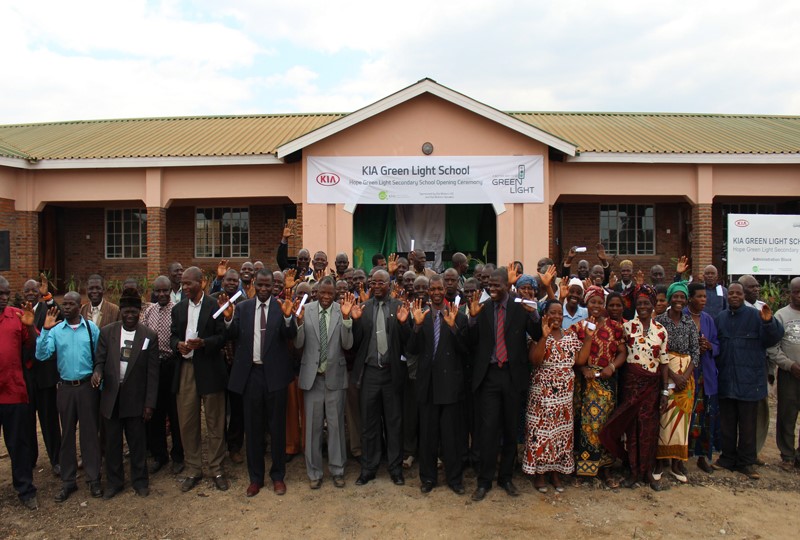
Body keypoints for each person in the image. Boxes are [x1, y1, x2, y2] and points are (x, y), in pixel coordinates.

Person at [468, 267, 542, 502]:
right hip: (489, 376)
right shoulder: (482, 308)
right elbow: (471, 343)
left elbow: (537, 334)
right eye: (490, 285)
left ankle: (506, 478)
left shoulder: (520, 307)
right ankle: (484, 480)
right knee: (488, 431)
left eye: (496, 285)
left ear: (507, 286)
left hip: (512, 376)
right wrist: (472, 319)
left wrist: (534, 314)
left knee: (510, 430)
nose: (492, 288)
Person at [225, 269, 298, 497]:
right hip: (252, 375)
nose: (264, 289)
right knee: (253, 428)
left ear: (274, 286)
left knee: (277, 428)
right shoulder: (243, 308)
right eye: (261, 285)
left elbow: (290, 335)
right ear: (254, 285)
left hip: (275, 375)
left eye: (268, 285)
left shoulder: (281, 306)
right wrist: (228, 319)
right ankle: (255, 478)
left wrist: (288, 318)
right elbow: (232, 334)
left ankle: (278, 476)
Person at [91, 289, 159, 499]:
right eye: (126, 311)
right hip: (112, 397)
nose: (130, 315)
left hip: (136, 399)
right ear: (120, 311)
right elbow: (100, 360)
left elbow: (153, 373)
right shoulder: (107, 332)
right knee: (112, 444)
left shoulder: (149, 336)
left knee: (137, 443)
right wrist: (97, 372)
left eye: (134, 311)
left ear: (140, 312)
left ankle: (140, 481)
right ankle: (115, 482)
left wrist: (149, 403)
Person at [600, 284, 669, 490]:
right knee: (631, 429)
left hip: (652, 386)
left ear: (653, 304)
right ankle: (633, 471)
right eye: (639, 303)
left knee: (648, 429)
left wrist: (665, 391)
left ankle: (647, 472)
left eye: (646, 303)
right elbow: (618, 352)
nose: (643, 307)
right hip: (631, 385)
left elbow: (664, 363)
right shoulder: (627, 327)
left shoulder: (661, 331)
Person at [36, 291, 103, 502]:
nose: (66, 307)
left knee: (89, 435)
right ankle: (68, 480)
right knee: (66, 435)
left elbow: (99, 357)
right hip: (65, 388)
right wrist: (45, 330)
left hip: (86, 388)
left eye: (70, 304)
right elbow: (41, 354)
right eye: (64, 304)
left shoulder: (91, 329)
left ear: (79, 306)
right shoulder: (56, 330)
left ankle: (93, 478)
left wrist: (98, 374)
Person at [407, 276, 469, 495]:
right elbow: (412, 350)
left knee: (451, 436)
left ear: (445, 290)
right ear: (428, 291)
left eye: (439, 288)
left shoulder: (458, 316)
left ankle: (454, 479)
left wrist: (453, 328)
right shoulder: (420, 315)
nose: (435, 292)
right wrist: (416, 327)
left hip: (450, 385)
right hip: (427, 386)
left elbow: (465, 350)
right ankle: (428, 478)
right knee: (428, 436)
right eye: (432, 289)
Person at [714, 282, 783, 479]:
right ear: (727, 296)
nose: (734, 296)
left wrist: (769, 323)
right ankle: (727, 458)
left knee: (748, 425)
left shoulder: (756, 316)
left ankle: (746, 462)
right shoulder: (721, 318)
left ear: (744, 296)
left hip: (750, 381)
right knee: (727, 423)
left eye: (738, 293)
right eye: (731, 293)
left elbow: (773, 338)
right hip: (727, 379)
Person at [170, 266, 229, 492]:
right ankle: (193, 468)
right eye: (182, 284)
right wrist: (178, 345)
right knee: (187, 422)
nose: (184, 287)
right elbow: (173, 335)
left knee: (215, 421)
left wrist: (204, 343)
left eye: (188, 283)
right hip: (186, 369)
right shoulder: (178, 309)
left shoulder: (214, 306)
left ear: (201, 282)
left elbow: (222, 337)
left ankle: (216, 468)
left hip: (210, 368)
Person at [351, 269, 411, 486]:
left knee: (394, 423)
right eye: (373, 282)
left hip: (392, 373)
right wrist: (354, 321)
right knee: (369, 423)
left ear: (389, 285)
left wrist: (404, 324)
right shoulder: (363, 308)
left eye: (381, 282)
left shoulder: (399, 307)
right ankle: (369, 468)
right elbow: (355, 343)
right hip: (370, 373)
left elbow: (408, 342)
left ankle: (395, 469)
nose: (376, 286)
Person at [295, 277, 355, 489]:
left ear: (335, 294)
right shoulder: (306, 310)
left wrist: (347, 319)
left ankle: (338, 470)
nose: (327, 297)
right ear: (317, 292)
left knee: (336, 426)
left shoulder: (342, 310)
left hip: (335, 378)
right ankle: (314, 473)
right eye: (323, 293)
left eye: (330, 293)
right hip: (313, 379)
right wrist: (298, 323)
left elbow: (347, 344)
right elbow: (298, 343)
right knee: (313, 428)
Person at [524, 299, 586, 492]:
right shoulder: (536, 335)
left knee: (560, 433)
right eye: (553, 312)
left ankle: (555, 473)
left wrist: (589, 339)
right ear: (545, 314)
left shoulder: (570, 335)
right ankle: (540, 474)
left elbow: (579, 361)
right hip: (542, 394)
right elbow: (535, 360)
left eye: (560, 313)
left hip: (564, 395)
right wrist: (544, 337)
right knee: (541, 433)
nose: (557, 316)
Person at [574, 286, 626, 486]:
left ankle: (605, 470)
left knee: (605, 425)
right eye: (592, 302)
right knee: (586, 426)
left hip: (606, 383)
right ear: (586, 303)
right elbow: (573, 355)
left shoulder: (615, 327)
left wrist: (612, 367)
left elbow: (622, 352)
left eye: (599, 302)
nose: (596, 305)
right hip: (586, 384)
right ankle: (585, 471)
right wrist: (583, 368)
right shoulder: (579, 327)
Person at [653, 282, 699, 484]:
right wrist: (673, 375)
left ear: (686, 300)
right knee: (663, 418)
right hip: (666, 374)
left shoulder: (689, 323)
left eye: (683, 297)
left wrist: (685, 376)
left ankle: (677, 463)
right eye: (676, 296)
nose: (679, 300)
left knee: (682, 422)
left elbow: (695, 352)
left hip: (685, 378)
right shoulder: (660, 321)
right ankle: (659, 462)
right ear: (670, 298)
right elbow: (657, 352)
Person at [0, 276, 39, 510]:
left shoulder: (17, 316)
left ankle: (25, 489)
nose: (4, 298)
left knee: (19, 444)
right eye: (0, 294)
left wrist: (30, 327)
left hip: (13, 392)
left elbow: (33, 347)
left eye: (6, 293)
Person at [142, 276, 184, 475]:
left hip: (172, 364)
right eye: (158, 291)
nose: (161, 294)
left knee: (175, 413)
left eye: (165, 290)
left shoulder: (178, 310)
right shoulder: (148, 312)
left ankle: (178, 456)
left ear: (171, 290)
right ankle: (160, 455)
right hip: (153, 367)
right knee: (155, 413)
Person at [21, 276, 62, 476]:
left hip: (45, 376)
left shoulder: (48, 309)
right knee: (27, 422)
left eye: (34, 290)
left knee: (49, 421)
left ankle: (57, 460)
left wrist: (48, 297)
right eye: (27, 291)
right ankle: (30, 459)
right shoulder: (19, 312)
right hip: (26, 378)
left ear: (39, 292)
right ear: (23, 294)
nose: (30, 293)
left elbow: (61, 315)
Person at [211, 269, 247, 464]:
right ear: (222, 281)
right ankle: (219, 445)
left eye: (235, 280)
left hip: (237, 362)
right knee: (218, 408)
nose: (232, 283)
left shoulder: (243, 302)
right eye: (228, 280)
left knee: (237, 408)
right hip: (217, 362)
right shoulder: (213, 300)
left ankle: (235, 446)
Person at [685, 282, 720, 473]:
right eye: (699, 296)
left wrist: (709, 346)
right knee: (686, 415)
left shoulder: (708, 319)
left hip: (705, 374)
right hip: (687, 373)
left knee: (705, 416)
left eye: (705, 296)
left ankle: (701, 457)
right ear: (690, 298)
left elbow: (718, 344)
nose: (703, 300)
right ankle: (681, 455)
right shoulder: (682, 316)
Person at [739, 274, 772, 462]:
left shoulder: (763, 308)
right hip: (739, 365)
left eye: (757, 286)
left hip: (759, 365)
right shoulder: (736, 308)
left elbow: (772, 338)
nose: (756, 289)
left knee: (759, 410)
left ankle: (754, 451)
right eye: (752, 287)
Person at [768, 277, 800, 471]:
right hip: (790, 375)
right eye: (796, 292)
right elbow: (773, 348)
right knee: (787, 416)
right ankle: (787, 455)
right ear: (790, 293)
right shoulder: (781, 315)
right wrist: (789, 365)